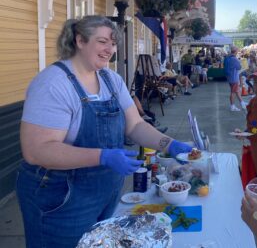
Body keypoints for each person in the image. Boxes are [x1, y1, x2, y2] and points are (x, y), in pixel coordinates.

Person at [16, 15, 192, 248]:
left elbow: (135, 125)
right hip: (61, 197)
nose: (109, 49)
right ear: (80, 40)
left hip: (105, 191)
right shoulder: (53, 83)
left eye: (113, 43)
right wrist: (102, 156)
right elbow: (37, 151)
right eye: (102, 41)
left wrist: (169, 144)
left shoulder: (111, 80)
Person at [224, 46, 246, 111]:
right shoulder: (234, 59)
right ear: (236, 51)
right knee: (233, 92)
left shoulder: (228, 57)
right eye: (237, 50)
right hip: (234, 77)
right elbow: (239, 67)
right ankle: (232, 106)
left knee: (236, 91)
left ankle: (242, 103)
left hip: (229, 77)